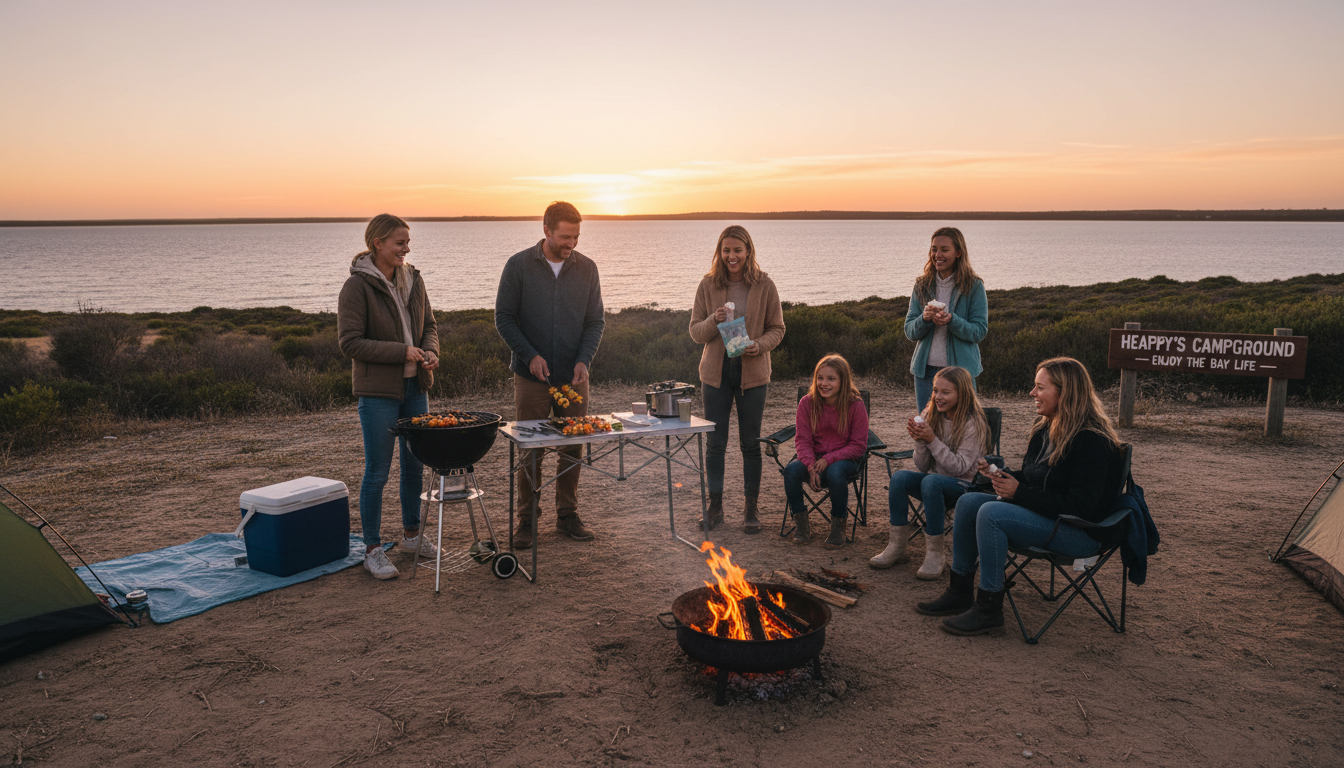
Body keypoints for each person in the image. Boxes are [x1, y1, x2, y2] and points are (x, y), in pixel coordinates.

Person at [916, 357, 1128, 636]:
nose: (1032, 393)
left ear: (1065, 393)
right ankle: (960, 592)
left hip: (1079, 532)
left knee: (992, 513)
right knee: (968, 502)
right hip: (1047, 518)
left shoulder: (1092, 440)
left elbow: (1082, 508)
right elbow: (1034, 477)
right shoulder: (1045, 427)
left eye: (1040, 388)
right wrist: (999, 474)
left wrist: (1020, 492)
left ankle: (989, 608)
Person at [337, 214, 442, 580]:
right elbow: (350, 343)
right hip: (378, 392)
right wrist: (402, 352)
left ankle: (412, 537)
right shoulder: (357, 287)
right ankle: (372, 549)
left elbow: (429, 326)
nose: (406, 249)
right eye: (399, 242)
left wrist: (429, 351)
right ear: (377, 243)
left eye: (407, 242)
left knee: (414, 467)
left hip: (416, 389)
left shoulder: (414, 277)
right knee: (378, 472)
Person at [495, 201, 605, 548]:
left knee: (573, 445)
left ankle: (567, 515)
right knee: (531, 448)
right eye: (564, 236)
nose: (570, 243)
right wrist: (530, 356)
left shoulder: (588, 268)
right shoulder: (518, 266)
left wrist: (584, 359)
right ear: (546, 230)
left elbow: (595, 321)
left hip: (574, 377)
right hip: (532, 378)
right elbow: (504, 318)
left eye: (575, 236)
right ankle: (526, 520)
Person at [688, 225, 786, 533]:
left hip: (752, 373)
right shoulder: (707, 285)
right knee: (715, 444)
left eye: (737, 251)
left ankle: (750, 510)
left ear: (748, 252)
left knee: (750, 444)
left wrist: (759, 345)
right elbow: (695, 332)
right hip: (715, 375)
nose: (732, 256)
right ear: (719, 252)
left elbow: (778, 329)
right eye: (726, 250)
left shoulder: (764, 285)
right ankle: (715, 508)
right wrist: (712, 321)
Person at [871, 366, 991, 578]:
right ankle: (897, 547)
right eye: (936, 390)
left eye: (946, 392)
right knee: (900, 478)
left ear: (961, 394)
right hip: (935, 483)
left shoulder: (973, 423)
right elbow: (922, 466)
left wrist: (931, 439)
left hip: (965, 487)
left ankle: (936, 554)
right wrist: (920, 441)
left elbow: (960, 467)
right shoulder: (930, 414)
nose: (938, 396)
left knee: (931, 482)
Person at [783, 355, 869, 547]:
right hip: (813, 459)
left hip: (845, 459)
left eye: (831, 379)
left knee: (836, 472)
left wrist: (829, 459)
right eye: (820, 378)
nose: (824, 383)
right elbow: (803, 440)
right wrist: (810, 466)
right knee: (791, 470)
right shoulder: (807, 403)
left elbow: (858, 446)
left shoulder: (855, 405)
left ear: (842, 381)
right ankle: (802, 525)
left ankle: (838, 528)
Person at [903, 227, 988, 413]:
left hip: (960, 373)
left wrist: (952, 320)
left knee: (963, 428)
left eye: (944, 249)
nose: (937, 254)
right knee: (927, 427)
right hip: (926, 373)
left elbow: (979, 331)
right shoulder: (922, 285)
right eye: (934, 249)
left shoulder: (974, 286)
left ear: (958, 253)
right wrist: (924, 319)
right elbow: (910, 331)